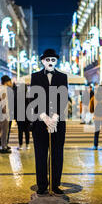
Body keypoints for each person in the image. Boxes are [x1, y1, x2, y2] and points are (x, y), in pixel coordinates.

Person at [30, 49, 68, 196]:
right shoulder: (35, 77)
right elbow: (34, 98)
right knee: (40, 155)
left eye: (53, 60)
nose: (50, 62)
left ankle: (55, 184)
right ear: (43, 61)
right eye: (48, 60)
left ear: (56, 61)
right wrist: (45, 117)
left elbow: (63, 98)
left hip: (58, 123)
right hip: (40, 123)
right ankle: (42, 185)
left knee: (57, 155)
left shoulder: (63, 77)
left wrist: (55, 117)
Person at [15, 83, 31, 150]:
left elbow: (15, 107)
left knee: (20, 131)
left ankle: (20, 145)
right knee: (27, 131)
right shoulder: (28, 96)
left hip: (20, 116)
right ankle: (27, 144)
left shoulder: (17, 96)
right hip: (27, 116)